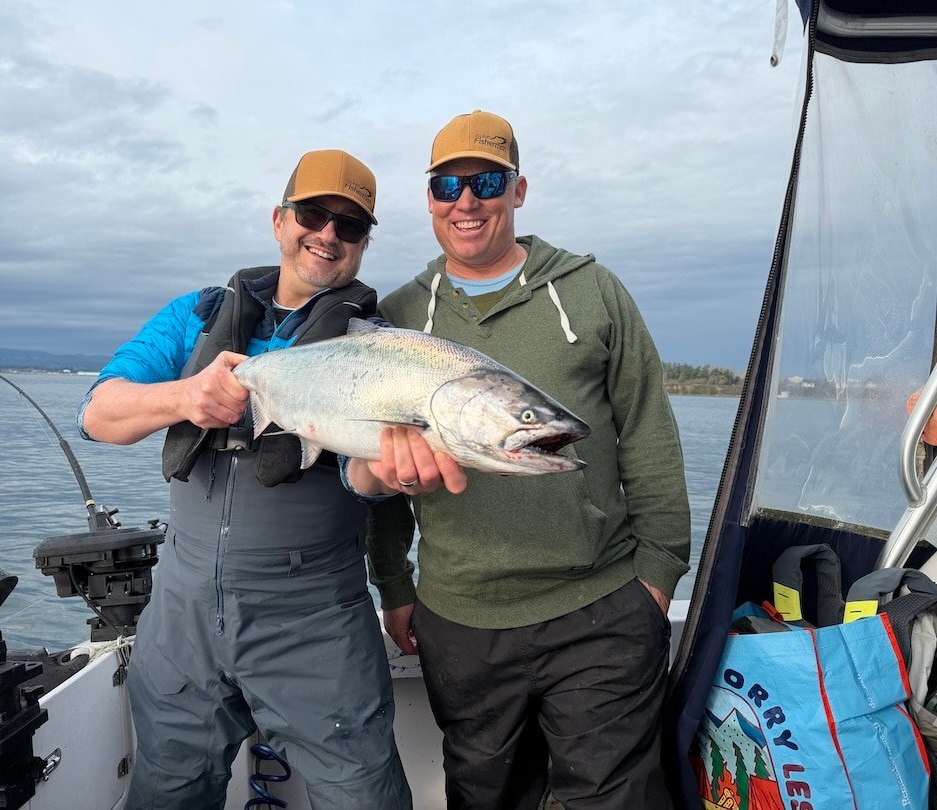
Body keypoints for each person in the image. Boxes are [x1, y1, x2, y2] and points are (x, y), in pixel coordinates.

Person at [78, 148, 462, 809]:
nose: (329, 235)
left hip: (315, 620)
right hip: (181, 614)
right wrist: (183, 398)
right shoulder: (194, 316)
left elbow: (365, 481)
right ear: (280, 221)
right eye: (314, 214)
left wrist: (394, 472)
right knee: (167, 789)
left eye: (351, 226)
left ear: (364, 243)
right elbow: (100, 413)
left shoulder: (378, 350)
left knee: (362, 795)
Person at [366, 110, 692, 809]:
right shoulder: (395, 319)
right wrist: (394, 584)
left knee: (619, 799)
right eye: (446, 184)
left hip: (601, 605)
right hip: (462, 619)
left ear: (518, 189)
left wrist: (659, 572)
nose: (466, 201)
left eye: (485, 180)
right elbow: (382, 466)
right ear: (427, 198)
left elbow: (647, 433)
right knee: (488, 798)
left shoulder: (592, 292)